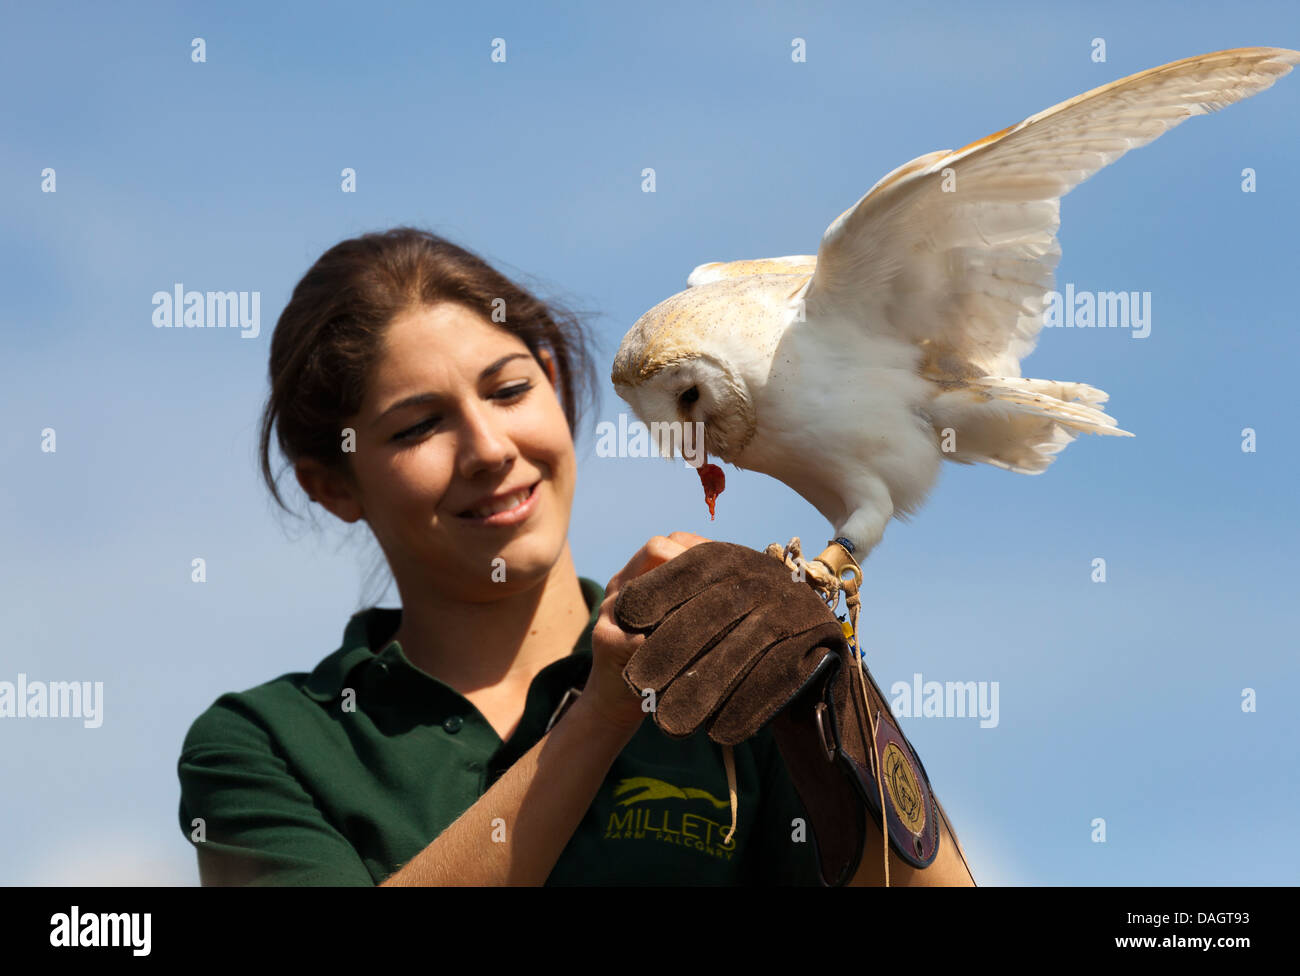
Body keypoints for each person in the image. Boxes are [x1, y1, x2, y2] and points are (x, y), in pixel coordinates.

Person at [175, 226, 975, 886]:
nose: (488, 448)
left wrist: (827, 692)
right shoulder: (267, 745)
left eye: (509, 390)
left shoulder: (720, 675)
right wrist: (602, 712)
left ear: (555, 383)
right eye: (419, 426)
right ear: (332, 486)